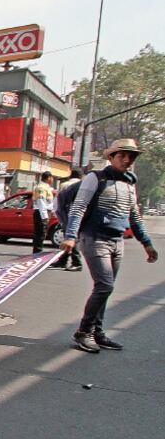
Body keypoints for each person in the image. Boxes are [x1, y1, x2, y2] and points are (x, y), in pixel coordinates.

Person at [60, 139, 158, 353]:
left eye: (131, 156)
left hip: (117, 240)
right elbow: (78, 208)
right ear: (110, 157)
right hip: (94, 238)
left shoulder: (130, 183)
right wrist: (70, 236)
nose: (127, 160)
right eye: (122, 155)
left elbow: (134, 216)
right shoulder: (95, 178)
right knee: (105, 285)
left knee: (104, 289)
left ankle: (98, 333)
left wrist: (147, 244)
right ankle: (83, 332)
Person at [50, 168, 84, 272]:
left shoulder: (65, 185)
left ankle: (77, 262)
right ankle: (63, 260)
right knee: (72, 238)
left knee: (70, 238)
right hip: (81, 215)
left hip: (67, 215)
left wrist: (57, 214)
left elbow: (58, 202)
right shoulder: (85, 185)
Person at [32, 171, 55, 254]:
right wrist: (44, 217)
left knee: (42, 234)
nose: (52, 180)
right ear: (48, 178)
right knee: (40, 234)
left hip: (43, 213)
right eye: (52, 178)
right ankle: (37, 253)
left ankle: (38, 252)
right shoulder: (41, 187)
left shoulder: (46, 187)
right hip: (41, 213)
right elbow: (41, 201)